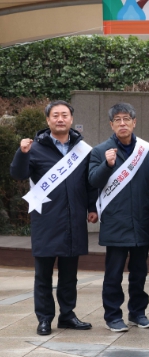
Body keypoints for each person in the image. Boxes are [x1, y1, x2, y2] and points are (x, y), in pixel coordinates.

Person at [10, 100, 98, 336]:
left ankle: (67, 315)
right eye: (55, 115)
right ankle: (44, 318)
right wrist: (22, 153)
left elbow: (89, 183)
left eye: (64, 115)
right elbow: (18, 174)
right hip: (46, 220)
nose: (60, 119)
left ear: (71, 119)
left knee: (70, 275)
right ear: (48, 120)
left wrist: (92, 207)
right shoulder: (35, 148)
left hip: (73, 220)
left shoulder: (81, 149)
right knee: (43, 275)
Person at [88, 103, 149, 332]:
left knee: (139, 273)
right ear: (111, 124)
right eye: (117, 120)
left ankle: (138, 313)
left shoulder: (147, 151)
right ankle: (113, 316)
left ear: (134, 122)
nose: (122, 123)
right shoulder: (100, 151)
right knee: (113, 274)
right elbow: (93, 181)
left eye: (126, 119)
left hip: (141, 221)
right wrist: (107, 165)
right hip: (115, 221)